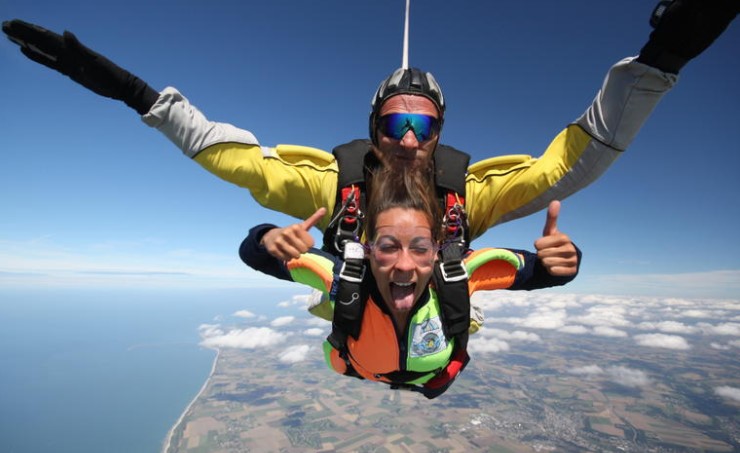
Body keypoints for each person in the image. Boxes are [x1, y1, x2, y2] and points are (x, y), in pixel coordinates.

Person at [3, 1, 735, 258]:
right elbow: (235, 159)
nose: (411, 138)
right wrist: (133, 92)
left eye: (424, 124)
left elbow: (567, 165)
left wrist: (656, 64)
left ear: (441, 131)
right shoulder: (334, 186)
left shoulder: (466, 196)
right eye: (396, 121)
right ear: (375, 128)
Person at [241, 167, 581, 398]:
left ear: (437, 251)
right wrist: (268, 237)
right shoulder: (342, 275)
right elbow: (255, 254)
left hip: (424, 375)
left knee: (458, 307)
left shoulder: (461, 273)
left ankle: (465, 315)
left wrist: (564, 262)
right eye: (388, 247)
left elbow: (540, 271)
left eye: (419, 247)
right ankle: (327, 303)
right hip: (362, 365)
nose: (404, 264)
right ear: (368, 250)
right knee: (336, 294)